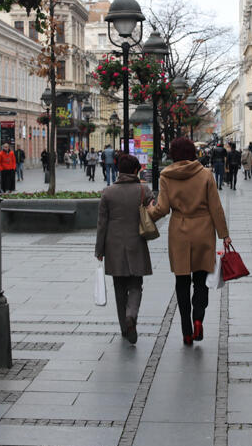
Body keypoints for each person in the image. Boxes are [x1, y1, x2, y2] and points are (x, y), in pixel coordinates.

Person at [150, 137, 233, 346]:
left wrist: (146, 213)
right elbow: (216, 207)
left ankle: (186, 331)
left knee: (182, 282)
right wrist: (224, 235)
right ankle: (198, 319)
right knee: (201, 280)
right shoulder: (205, 174)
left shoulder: (166, 176)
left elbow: (162, 209)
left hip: (179, 231)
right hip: (203, 230)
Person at [96, 154, 154, 344]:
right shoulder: (143, 190)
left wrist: (99, 250)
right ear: (136, 170)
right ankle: (131, 315)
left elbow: (102, 224)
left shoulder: (108, 192)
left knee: (119, 288)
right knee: (136, 285)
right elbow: (154, 211)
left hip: (113, 246)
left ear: (119, 170)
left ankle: (124, 327)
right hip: (137, 242)